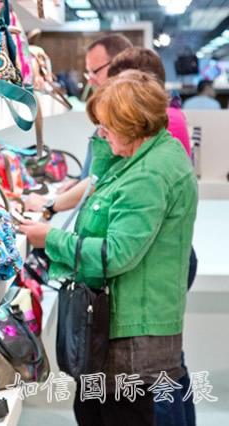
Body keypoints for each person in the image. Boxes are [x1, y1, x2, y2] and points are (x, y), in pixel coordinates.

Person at [20, 70, 198, 426]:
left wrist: (50, 239)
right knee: (95, 411)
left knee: (118, 414)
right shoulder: (141, 157)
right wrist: (107, 145)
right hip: (121, 326)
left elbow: (116, 254)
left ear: (132, 125)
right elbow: (99, 181)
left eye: (107, 126)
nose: (100, 133)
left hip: (131, 336)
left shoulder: (148, 174)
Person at [107, 47, 197, 426]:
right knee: (167, 372)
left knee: (157, 379)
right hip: (161, 259)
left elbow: (119, 249)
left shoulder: (156, 151)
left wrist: (59, 243)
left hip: (155, 265)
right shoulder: (162, 142)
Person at [26, 34, 132, 214]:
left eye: (95, 71)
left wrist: (49, 205)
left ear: (118, 66)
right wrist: (80, 181)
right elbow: (101, 174)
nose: (90, 79)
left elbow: (100, 179)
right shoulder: (113, 111)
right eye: (88, 72)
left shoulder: (124, 119)